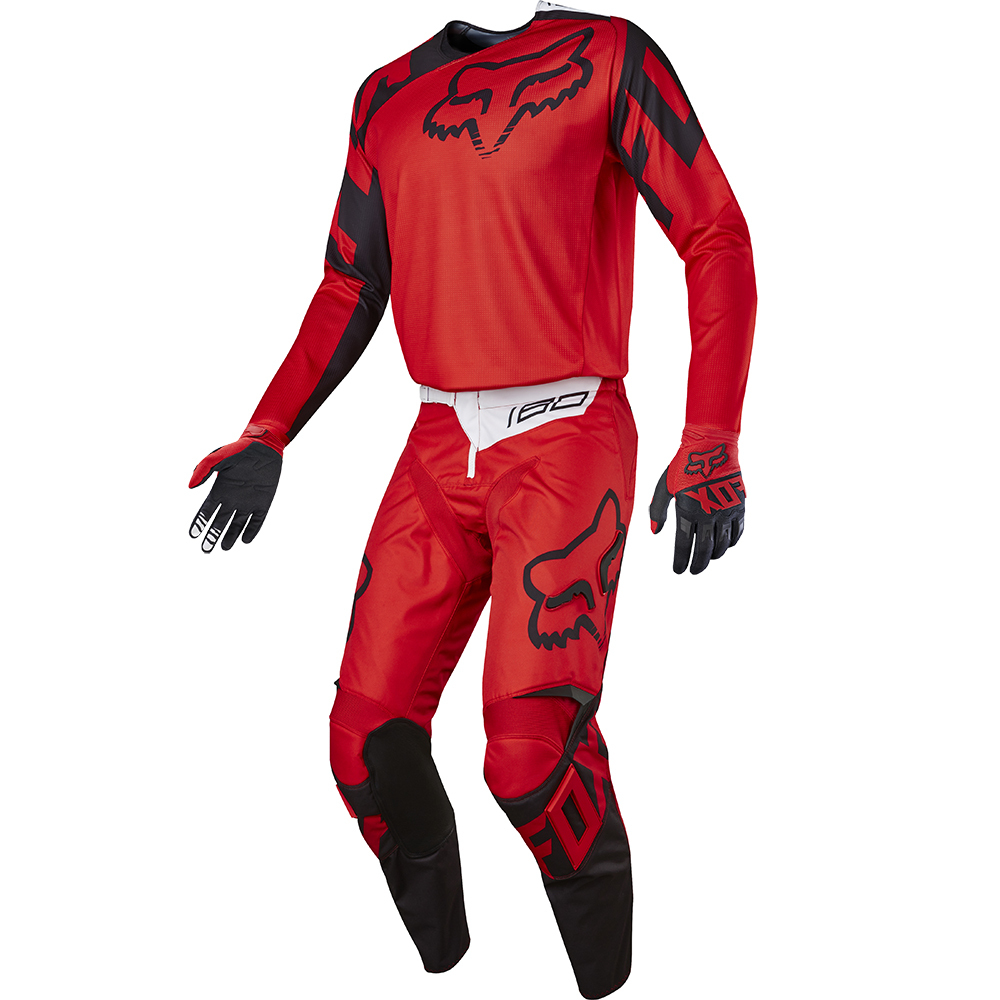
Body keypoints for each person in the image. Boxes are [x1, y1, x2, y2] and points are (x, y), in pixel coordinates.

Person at [188, 3, 756, 996]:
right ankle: (445, 967)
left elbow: (714, 232)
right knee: (362, 750)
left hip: (568, 433)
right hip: (437, 437)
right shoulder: (383, 95)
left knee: (530, 756)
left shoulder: (608, 54)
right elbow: (348, 282)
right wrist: (266, 430)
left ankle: (607, 980)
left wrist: (709, 432)